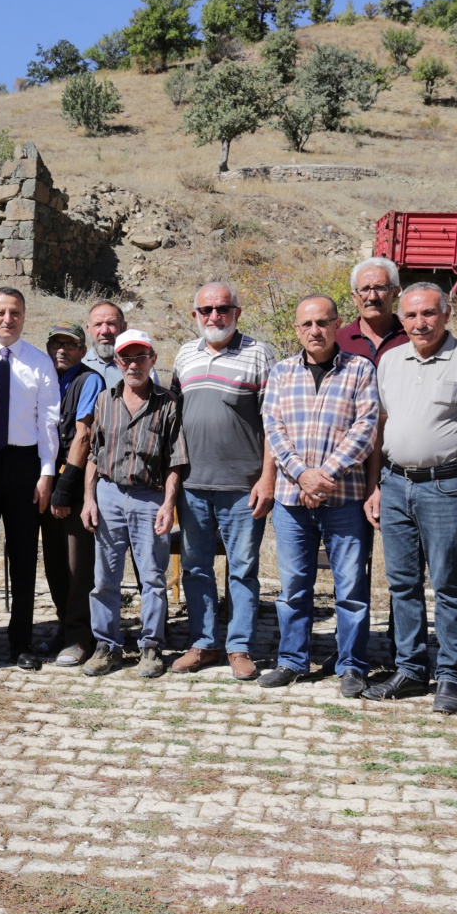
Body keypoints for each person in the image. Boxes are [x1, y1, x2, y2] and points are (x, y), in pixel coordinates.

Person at [363, 283, 457, 714]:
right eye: (410, 316)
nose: (420, 323)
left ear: (446, 314)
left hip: (446, 488)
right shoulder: (390, 360)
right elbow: (379, 428)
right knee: (402, 584)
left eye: (428, 314)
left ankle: (451, 676)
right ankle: (409, 670)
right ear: (400, 319)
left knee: (448, 585)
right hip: (394, 484)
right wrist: (374, 486)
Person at [258, 295, 380, 695]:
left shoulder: (360, 369)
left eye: (322, 322)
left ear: (337, 325)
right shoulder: (280, 373)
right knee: (293, 587)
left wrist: (323, 476)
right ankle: (293, 660)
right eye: (306, 324)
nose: (315, 330)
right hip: (291, 502)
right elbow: (273, 430)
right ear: (296, 329)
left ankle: (351, 666)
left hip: (344, 497)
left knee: (350, 589)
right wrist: (301, 475)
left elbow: (366, 428)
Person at [168, 282, 278, 682]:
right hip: (193, 485)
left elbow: (273, 423)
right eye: (206, 309)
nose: (214, 316)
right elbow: (174, 420)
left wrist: (268, 479)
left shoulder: (259, 354)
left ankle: (239, 646)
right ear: (195, 314)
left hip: (242, 486)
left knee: (242, 568)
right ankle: (203, 643)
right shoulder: (184, 355)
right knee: (196, 566)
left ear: (237, 312)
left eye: (223, 308)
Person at [80, 330, 185, 679]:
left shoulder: (167, 403)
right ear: (118, 362)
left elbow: (175, 461)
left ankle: (152, 648)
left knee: (153, 578)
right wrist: (88, 499)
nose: (133, 364)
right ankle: (106, 646)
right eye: (126, 358)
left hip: (149, 498)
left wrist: (168, 504)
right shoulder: (105, 400)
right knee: (104, 579)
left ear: (153, 360)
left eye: (141, 357)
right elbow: (94, 454)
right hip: (108, 495)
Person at [0, 288, 59, 670]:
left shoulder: (39, 363)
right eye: (0, 312)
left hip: (25, 466)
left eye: (15, 313)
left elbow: (49, 421)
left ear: (24, 317)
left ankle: (22, 642)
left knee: (23, 557)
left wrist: (47, 472)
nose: (8, 319)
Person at [41, 323, 102, 667]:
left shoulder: (88, 380)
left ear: (82, 350)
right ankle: (64, 626)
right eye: (56, 344)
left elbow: (83, 436)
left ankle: (81, 636)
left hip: (72, 485)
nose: (62, 350)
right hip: (45, 484)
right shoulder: (46, 377)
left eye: (70, 345)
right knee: (53, 561)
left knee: (77, 564)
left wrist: (64, 488)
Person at [338, 257, 408, 365]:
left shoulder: (411, 336)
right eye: (365, 289)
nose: (372, 297)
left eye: (380, 288)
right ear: (355, 298)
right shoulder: (338, 341)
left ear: (395, 293)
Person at [83, 300, 127, 388]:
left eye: (111, 323)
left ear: (123, 328)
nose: (104, 331)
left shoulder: (139, 366)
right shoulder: (77, 364)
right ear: (88, 329)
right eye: (98, 324)